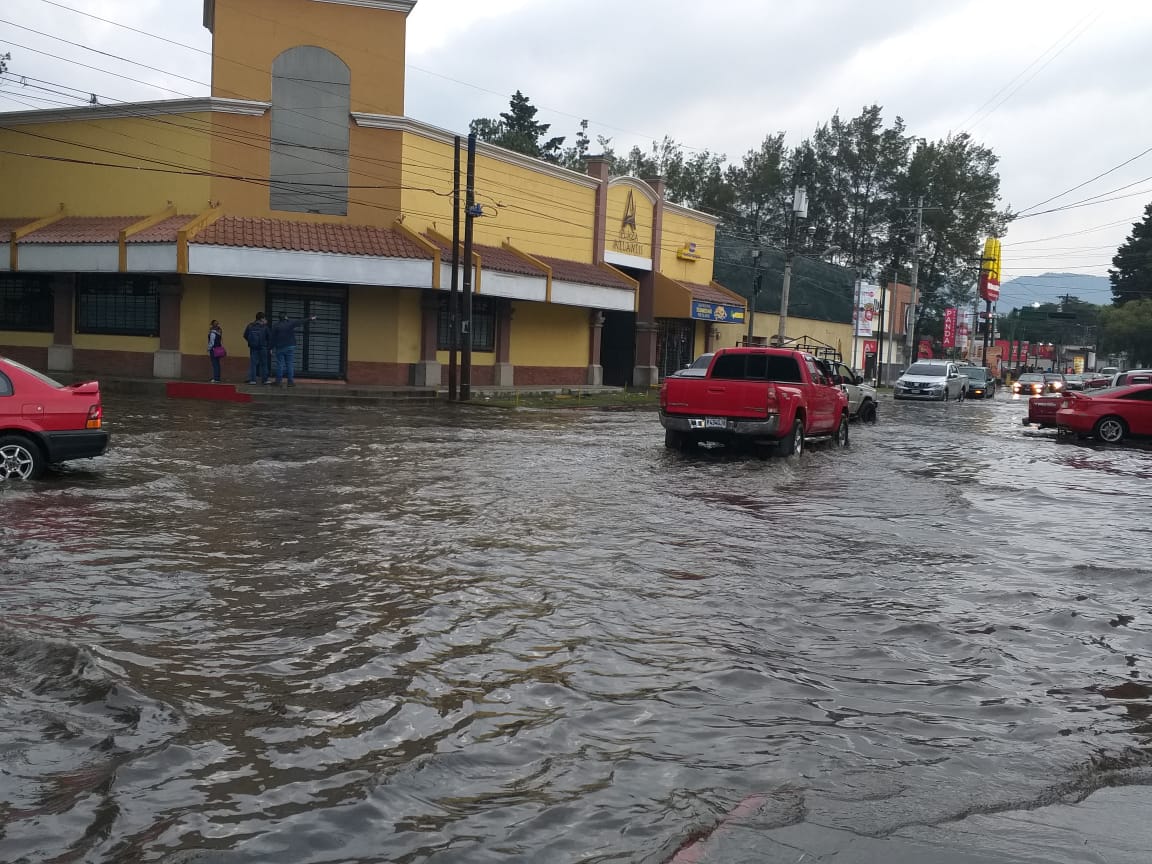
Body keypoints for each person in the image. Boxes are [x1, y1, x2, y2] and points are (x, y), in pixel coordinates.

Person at [269, 312, 316, 387]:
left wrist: (270, 348)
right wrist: (310, 318)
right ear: (286, 317)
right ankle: (290, 382)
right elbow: (300, 321)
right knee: (290, 364)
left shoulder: (276, 326)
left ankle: (278, 382)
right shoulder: (290, 323)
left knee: (280, 365)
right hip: (290, 346)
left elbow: (272, 339)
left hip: (280, 347)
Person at [242, 312, 271, 384]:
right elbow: (269, 337)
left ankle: (253, 380)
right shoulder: (265, 327)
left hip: (253, 348)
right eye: (264, 318)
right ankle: (265, 380)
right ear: (262, 319)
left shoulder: (250, 326)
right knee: (264, 364)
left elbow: (245, 335)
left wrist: (251, 342)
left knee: (253, 364)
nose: (265, 319)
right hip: (263, 347)